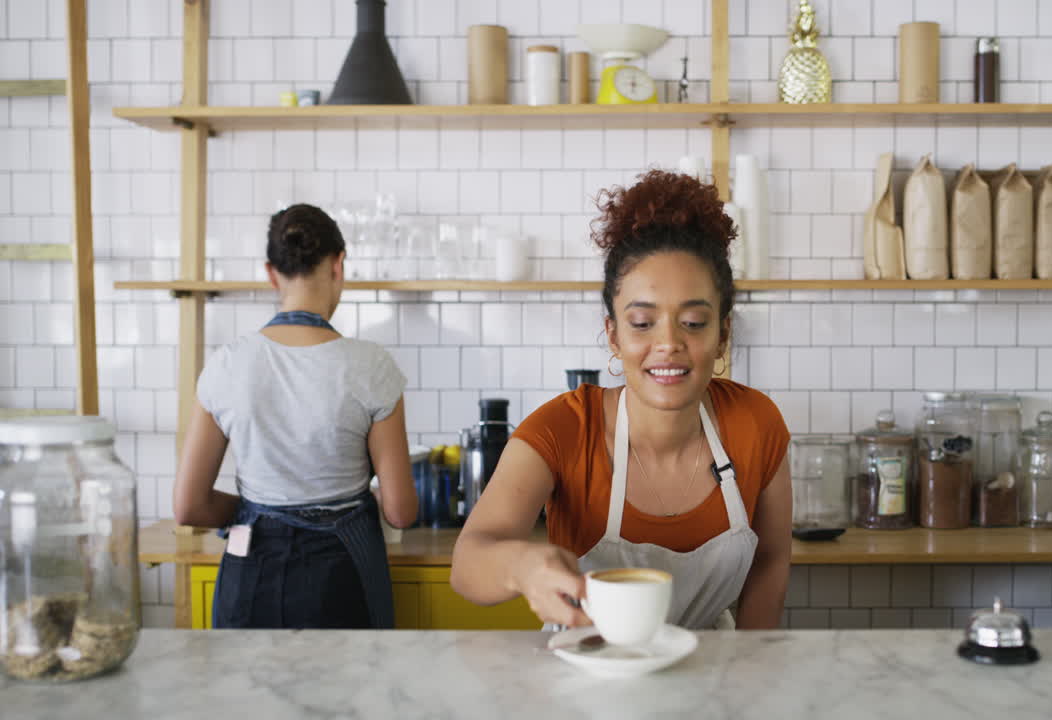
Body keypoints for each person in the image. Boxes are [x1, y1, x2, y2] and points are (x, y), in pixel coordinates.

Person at [451, 170, 792, 630]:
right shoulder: (564, 429)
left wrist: (753, 672)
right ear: (612, 334)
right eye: (642, 322)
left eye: (692, 322)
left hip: (716, 675)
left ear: (723, 333)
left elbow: (770, 563)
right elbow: (468, 565)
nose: (668, 342)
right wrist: (522, 567)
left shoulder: (757, 424)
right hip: (585, 678)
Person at [174, 203, 417, 629]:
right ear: (338, 265)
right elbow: (400, 512)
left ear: (271, 273)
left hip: (249, 570)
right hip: (344, 579)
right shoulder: (371, 366)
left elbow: (189, 506)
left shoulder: (228, 364)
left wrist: (258, 511)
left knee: (246, 696)